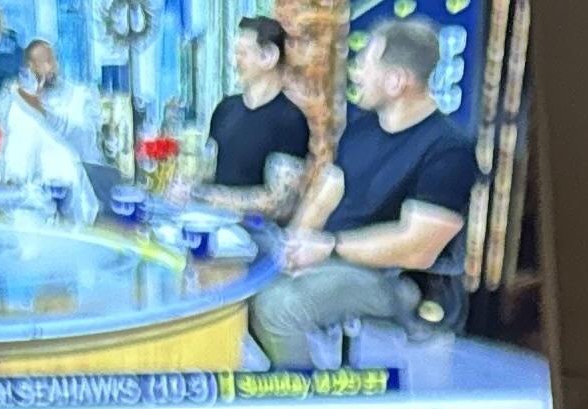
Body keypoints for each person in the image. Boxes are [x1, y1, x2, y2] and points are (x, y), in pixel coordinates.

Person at [248, 21, 475, 370]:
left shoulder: (449, 149)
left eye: (364, 65)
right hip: (336, 259)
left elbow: (417, 247)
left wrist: (328, 247)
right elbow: (326, 193)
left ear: (396, 80)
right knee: (247, 274)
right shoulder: (362, 127)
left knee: (277, 307)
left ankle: (305, 408)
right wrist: (293, 246)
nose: (355, 75)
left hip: (395, 281)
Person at [191, 16, 311, 212]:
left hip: (255, 235)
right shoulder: (225, 109)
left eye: (242, 53)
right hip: (211, 222)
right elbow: (206, 171)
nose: (233, 61)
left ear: (268, 57)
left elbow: (280, 204)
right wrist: (186, 184)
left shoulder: (291, 120)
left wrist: (210, 196)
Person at [0, 37, 109, 219]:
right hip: (32, 205)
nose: (50, 67)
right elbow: (13, 152)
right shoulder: (17, 106)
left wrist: (42, 109)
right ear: (30, 67)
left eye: (52, 60)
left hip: (73, 200)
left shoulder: (77, 97)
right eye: (43, 62)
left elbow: (82, 139)